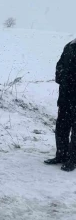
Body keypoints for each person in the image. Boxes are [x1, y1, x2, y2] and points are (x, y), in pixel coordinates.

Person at [44, 38, 76, 172]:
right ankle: (61, 155)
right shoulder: (69, 46)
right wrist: (64, 77)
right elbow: (59, 66)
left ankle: (73, 160)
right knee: (61, 127)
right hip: (65, 97)